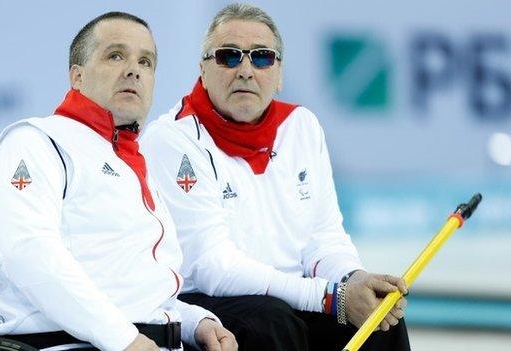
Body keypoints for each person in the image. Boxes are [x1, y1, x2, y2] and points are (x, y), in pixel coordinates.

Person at [140, 4, 410, 351]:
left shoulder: (302, 126)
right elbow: (214, 267)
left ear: (279, 73)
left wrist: (353, 280)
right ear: (203, 71)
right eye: (229, 56)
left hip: (293, 297)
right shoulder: (172, 139)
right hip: (207, 298)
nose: (246, 70)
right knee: (271, 322)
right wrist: (331, 297)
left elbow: (324, 239)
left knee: (381, 320)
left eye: (262, 57)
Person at [0, 11, 237, 351]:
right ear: (76, 77)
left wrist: (194, 323)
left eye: (146, 62)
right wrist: (124, 339)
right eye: (115, 55)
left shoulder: (131, 164)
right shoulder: (34, 142)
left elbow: (130, 289)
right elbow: (30, 256)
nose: (133, 69)